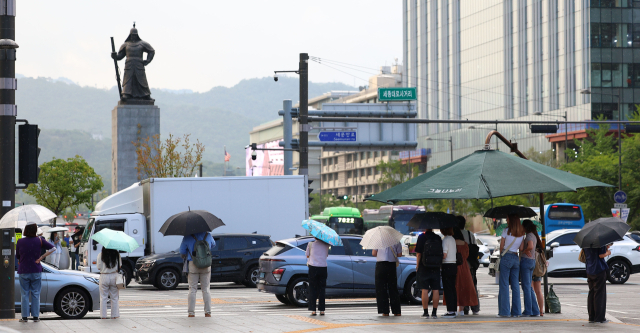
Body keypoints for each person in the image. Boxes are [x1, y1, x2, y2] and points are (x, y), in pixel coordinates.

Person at [16, 222, 54, 322]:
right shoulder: (39, 240)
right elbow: (53, 248)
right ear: (35, 230)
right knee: (36, 294)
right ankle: (36, 317)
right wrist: (40, 258)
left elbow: (17, 256)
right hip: (36, 270)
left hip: (24, 270)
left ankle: (24, 317)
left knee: (24, 294)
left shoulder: (20, 241)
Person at [179, 231, 216, 318]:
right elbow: (213, 245)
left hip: (193, 264)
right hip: (206, 264)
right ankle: (208, 312)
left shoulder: (187, 236)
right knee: (206, 289)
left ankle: (191, 313)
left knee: (192, 289)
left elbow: (182, 252)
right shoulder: (208, 235)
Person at [497, 214, 525, 318]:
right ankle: (517, 312)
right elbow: (521, 248)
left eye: (507, 218)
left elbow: (501, 246)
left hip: (506, 256)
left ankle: (505, 312)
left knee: (504, 285)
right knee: (515, 285)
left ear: (511, 220)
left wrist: (501, 255)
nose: (506, 219)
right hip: (515, 258)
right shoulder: (522, 233)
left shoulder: (506, 231)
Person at [415, 228, 443, 319]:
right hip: (435, 266)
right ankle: (434, 313)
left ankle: (426, 313)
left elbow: (418, 254)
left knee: (425, 290)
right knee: (435, 290)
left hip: (424, 266)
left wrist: (417, 265)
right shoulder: (438, 238)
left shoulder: (422, 237)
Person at [372, 241, 403, 316]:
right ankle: (396, 311)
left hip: (380, 266)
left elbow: (374, 253)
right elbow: (399, 254)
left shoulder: (378, 241)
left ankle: (384, 311)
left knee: (381, 288)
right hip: (391, 266)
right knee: (393, 288)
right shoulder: (396, 241)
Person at [453, 228, 478, 316]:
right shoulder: (465, 244)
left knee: (455, 287)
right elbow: (467, 255)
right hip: (464, 266)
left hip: (454, 266)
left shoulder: (453, 243)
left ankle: (453, 309)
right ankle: (462, 310)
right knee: (463, 287)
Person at [458, 215, 480, 315]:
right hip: (470, 264)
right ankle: (475, 307)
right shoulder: (470, 234)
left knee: (462, 286)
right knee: (473, 285)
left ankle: (464, 307)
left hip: (460, 264)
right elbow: (475, 247)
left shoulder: (455, 235)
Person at [585, 243, 611, 324]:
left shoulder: (586, 243)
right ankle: (599, 317)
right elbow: (601, 255)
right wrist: (607, 252)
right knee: (600, 294)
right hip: (599, 269)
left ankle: (591, 316)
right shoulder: (600, 242)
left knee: (591, 292)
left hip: (589, 269)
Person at [520, 220, 541, 317]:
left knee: (526, 287)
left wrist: (525, 250)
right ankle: (535, 310)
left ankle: (528, 310)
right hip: (532, 261)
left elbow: (531, 246)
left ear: (525, 227)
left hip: (526, 261)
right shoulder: (533, 235)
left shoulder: (529, 236)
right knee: (529, 287)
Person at [306, 237, 329, 316]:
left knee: (313, 288)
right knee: (322, 289)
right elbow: (326, 255)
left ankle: (313, 310)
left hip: (313, 268)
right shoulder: (326, 245)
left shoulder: (310, 244)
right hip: (323, 268)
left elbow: (307, 255)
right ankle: (322, 310)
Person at [97, 247, 122, 319]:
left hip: (104, 276)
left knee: (103, 297)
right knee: (114, 297)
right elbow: (120, 266)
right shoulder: (117, 255)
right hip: (114, 276)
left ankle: (103, 316)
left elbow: (99, 267)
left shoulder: (100, 255)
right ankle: (114, 315)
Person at [440, 227, 458, 318]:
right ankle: (454, 309)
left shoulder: (445, 240)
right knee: (452, 288)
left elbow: (444, 255)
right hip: (454, 265)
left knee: (447, 289)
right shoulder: (452, 239)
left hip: (446, 265)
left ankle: (450, 311)